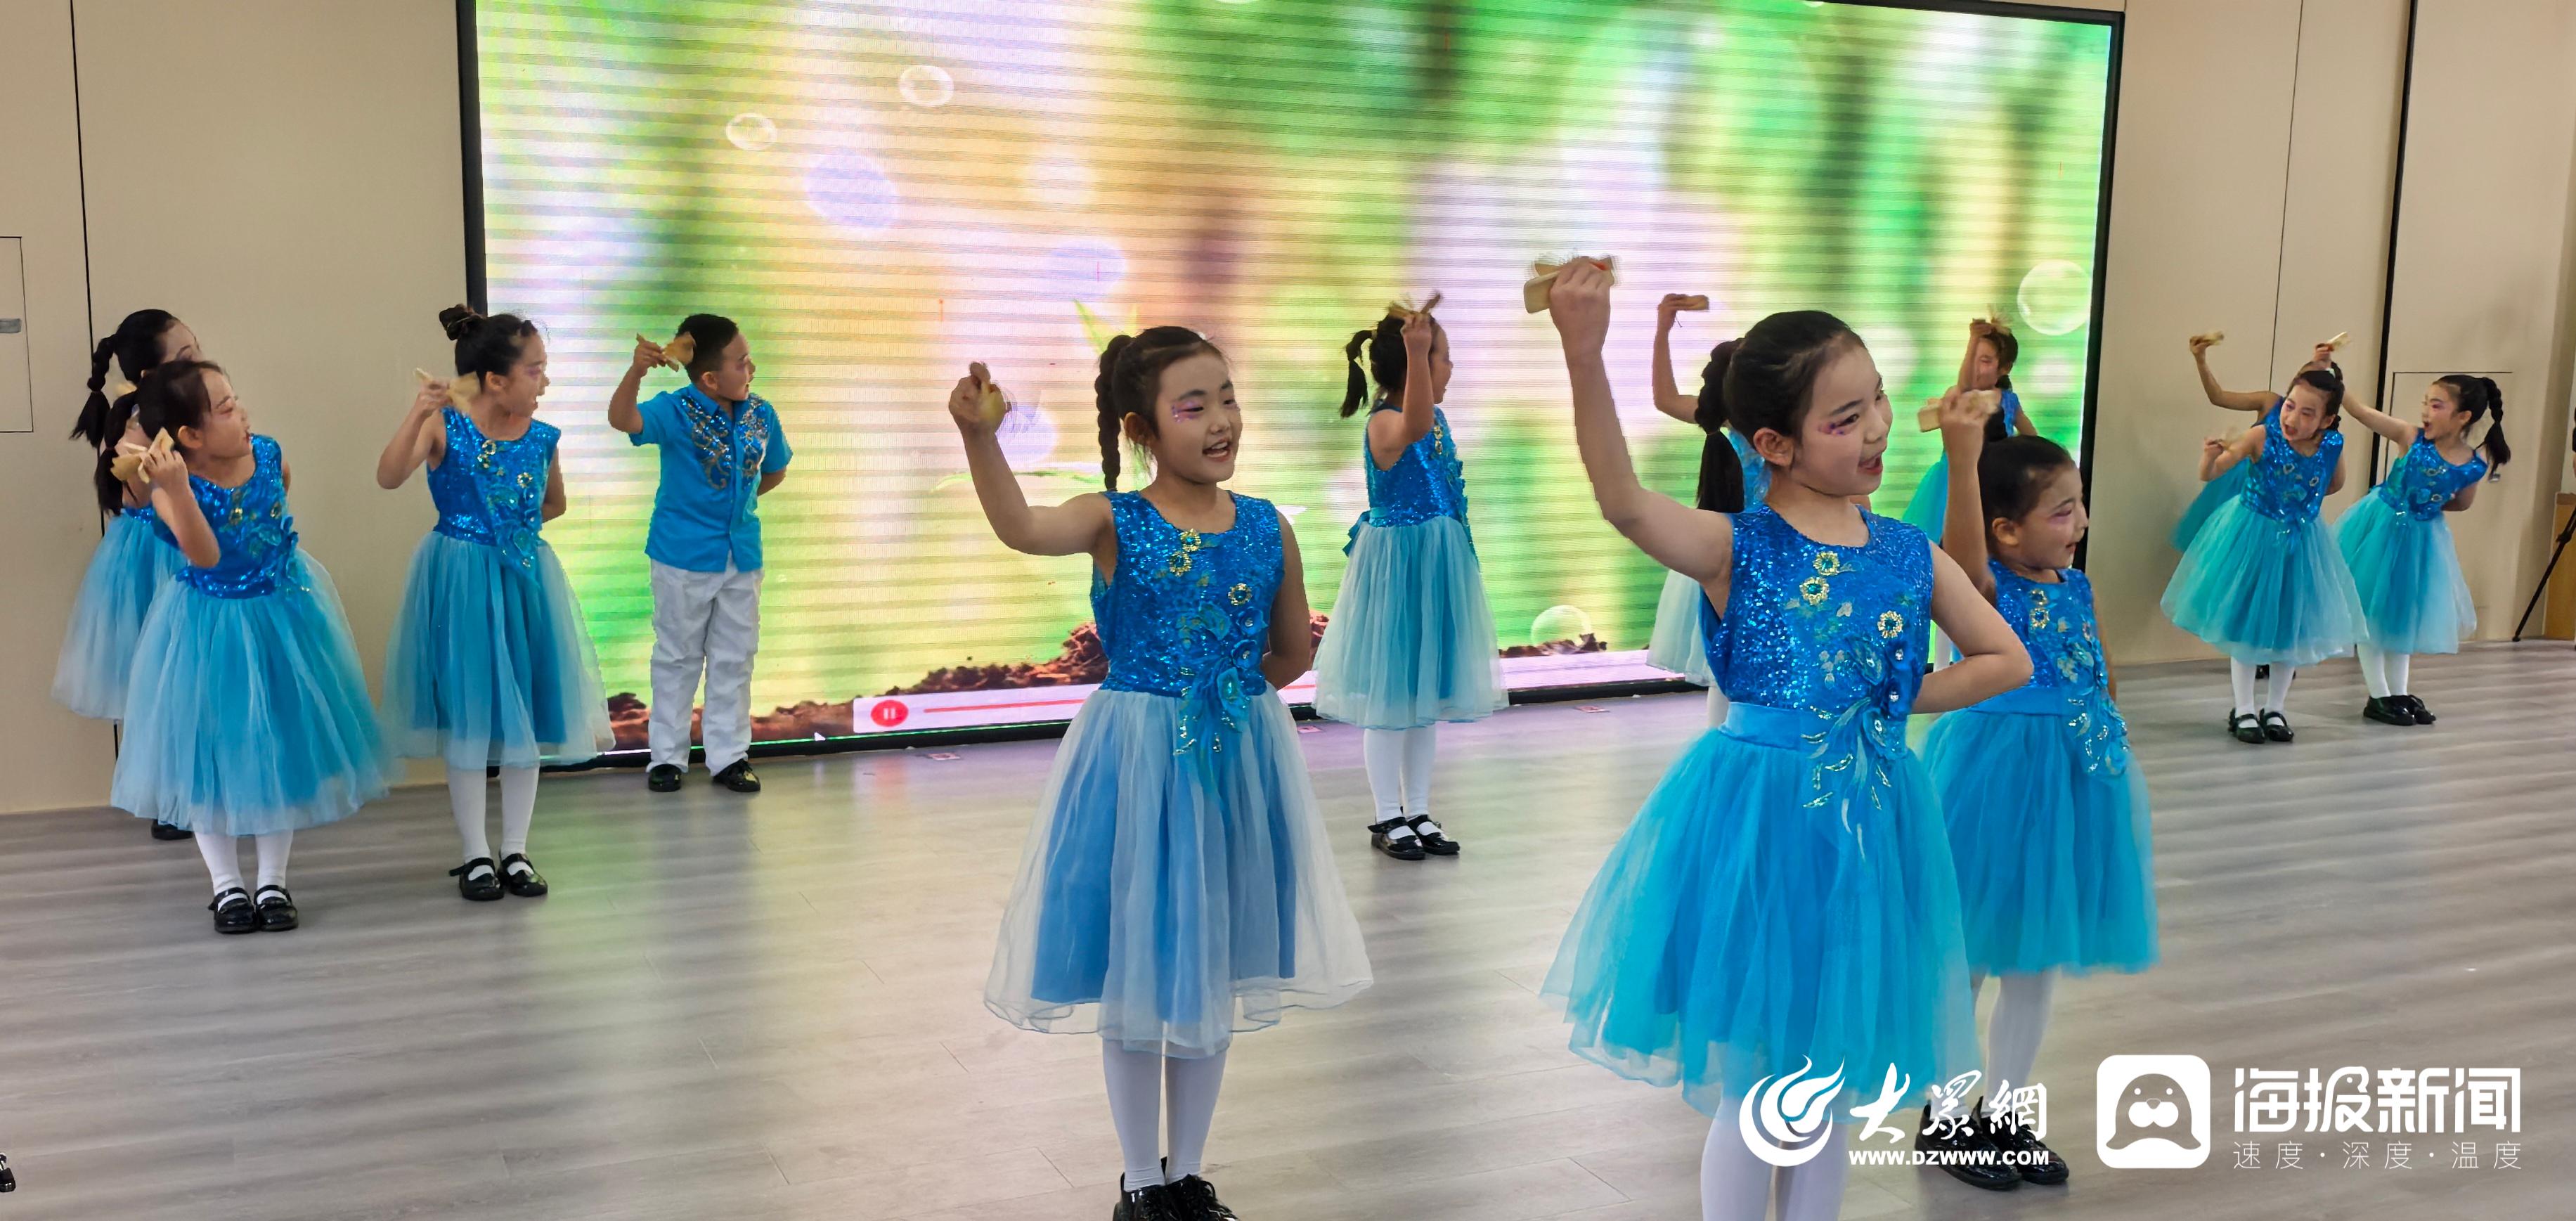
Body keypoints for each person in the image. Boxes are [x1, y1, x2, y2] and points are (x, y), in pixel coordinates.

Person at [1540, 264, 2031, 1221]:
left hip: (1871, 825)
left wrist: (1891, 701)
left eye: (1876, 399)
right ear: (1773, 443)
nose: (1877, 427)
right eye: (1844, 419)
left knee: (1831, 1084)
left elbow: (2003, 658)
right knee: (1761, 1084)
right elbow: (1623, 501)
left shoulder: (1906, 551)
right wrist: (1583, 353)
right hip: (1760, 827)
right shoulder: (1738, 548)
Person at [965, 332, 1371, 1221]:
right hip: (1139, 765)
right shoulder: (1113, 521)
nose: (1221, 421)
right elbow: (1021, 528)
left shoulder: (1266, 525)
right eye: (1194, 407)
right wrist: (979, 437)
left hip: (1233, 764)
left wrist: (1227, 700)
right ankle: (1139, 1182)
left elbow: (1290, 649)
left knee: (1209, 966)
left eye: (1227, 397)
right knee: (1140, 967)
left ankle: (1185, 1172)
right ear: (1141, 429)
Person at [1912, 391, 2157, 1191]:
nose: (2079, 521)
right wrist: (1960, 455)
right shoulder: (1981, 589)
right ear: (2005, 530)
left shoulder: (2074, 584)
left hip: (2074, 776)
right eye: (2061, 510)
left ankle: (2007, 1112)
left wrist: (2107, 748)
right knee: (1969, 955)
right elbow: (1958, 555)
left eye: (2079, 504)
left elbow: (2099, 671)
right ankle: (1946, 1116)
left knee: (2036, 958)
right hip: (1994, 775)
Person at [111, 361, 389, 933]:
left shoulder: (268, 452)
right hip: (209, 628)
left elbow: (275, 502)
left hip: (280, 617)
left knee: (276, 745)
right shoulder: (168, 488)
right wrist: (177, 488)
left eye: (236, 401)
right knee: (210, 755)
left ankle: (272, 880)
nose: (243, 414)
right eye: (226, 408)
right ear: (190, 435)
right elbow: (206, 555)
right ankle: (226, 884)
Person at [380, 307, 611, 900]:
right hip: (460, 582)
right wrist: (418, 412)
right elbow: (388, 475)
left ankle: (515, 848)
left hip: (524, 581)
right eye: (535, 370)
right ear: (494, 380)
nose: (545, 382)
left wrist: (514, 527)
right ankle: (475, 853)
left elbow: (554, 503)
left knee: (521, 718)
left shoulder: (541, 437)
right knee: (471, 715)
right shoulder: (446, 427)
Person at [1312, 298, 1505, 860]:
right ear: (1413, 363)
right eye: (1442, 357)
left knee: (1425, 693)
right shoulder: (1384, 422)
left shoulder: (1436, 419)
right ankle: (1386, 814)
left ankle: (1417, 808)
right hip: (1398, 569)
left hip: (1436, 564)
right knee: (1392, 694)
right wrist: (1419, 351)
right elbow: (1412, 424)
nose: (1450, 367)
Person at [609, 314, 791, 794]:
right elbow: (623, 420)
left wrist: (735, 506)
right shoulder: (674, 409)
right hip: (681, 556)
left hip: (741, 555)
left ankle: (729, 757)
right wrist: (636, 371)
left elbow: (774, 470)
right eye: (741, 362)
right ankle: (667, 758)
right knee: (677, 657)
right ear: (709, 378)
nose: (751, 368)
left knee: (735, 657)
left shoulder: (761, 413)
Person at [54, 309, 203, 841]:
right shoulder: (135, 426)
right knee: (162, 679)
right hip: (154, 554)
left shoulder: (186, 413)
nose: (200, 362)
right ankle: (169, 799)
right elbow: (144, 497)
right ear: (150, 375)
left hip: (180, 542)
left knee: (190, 677)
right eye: (186, 356)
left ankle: (194, 792)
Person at [2161, 369, 2364, 742]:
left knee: (2291, 628)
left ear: (2327, 421)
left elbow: (2334, 483)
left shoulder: (2332, 444)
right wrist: (2209, 458)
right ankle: (2244, 709)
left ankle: (2275, 709)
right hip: (2254, 538)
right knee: (2247, 627)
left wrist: (2301, 498)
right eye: (2290, 406)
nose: (2292, 417)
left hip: (2302, 542)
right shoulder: (2262, 436)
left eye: (2307, 413)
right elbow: (2212, 472)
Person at [2333, 375, 2511, 724]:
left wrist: (2425, 505)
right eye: (2425, 403)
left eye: (2436, 405)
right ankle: (2379, 695)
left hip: (2421, 541)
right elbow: (2362, 412)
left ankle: (2398, 692)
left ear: (2463, 417)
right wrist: (2336, 380)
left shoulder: (2473, 465)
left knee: (2403, 616)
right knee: (2372, 613)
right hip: (2380, 530)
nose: (2426, 411)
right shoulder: (2410, 437)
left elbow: (2462, 503)